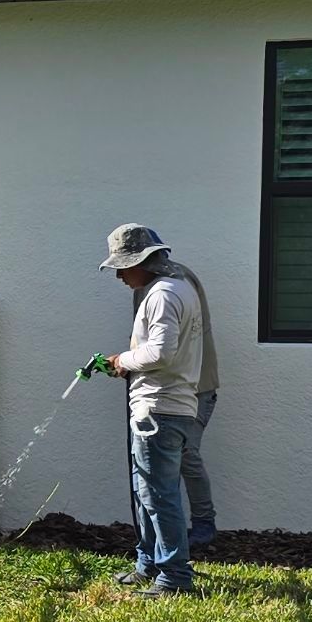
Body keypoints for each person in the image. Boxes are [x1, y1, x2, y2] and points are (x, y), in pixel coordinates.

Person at [91, 221, 205, 595]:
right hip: (171, 404)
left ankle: (173, 577)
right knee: (150, 492)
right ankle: (149, 563)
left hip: (159, 407)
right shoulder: (180, 289)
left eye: (123, 266)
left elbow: (160, 352)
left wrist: (123, 359)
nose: (120, 275)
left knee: (159, 495)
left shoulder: (162, 295)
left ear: (142, 260)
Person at [168, 256, 219, 552]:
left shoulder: (174, 281)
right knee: (166, 458)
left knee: (186, 452)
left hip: (197, 387)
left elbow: (164, 346)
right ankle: (169, 531)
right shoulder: (156, 282)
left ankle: (203, 525)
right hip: (174, 387)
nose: (120, 276)